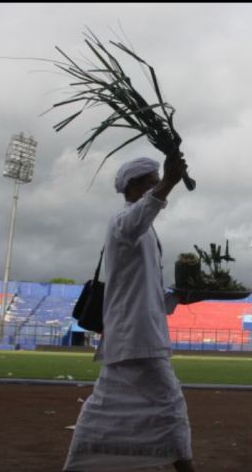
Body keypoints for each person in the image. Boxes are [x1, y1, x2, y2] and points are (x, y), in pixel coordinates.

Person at [63, 154, 195, 472]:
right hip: (136, 338)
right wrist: (170, 182)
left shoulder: (146, 233)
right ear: (133, 187)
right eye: (150, 185)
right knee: (170, 408)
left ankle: (77, 464)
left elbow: (146, 292)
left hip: (137, 336)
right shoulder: (123, 223)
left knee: (104, 410)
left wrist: (180, 297)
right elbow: (143, 212)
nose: (156, 191)